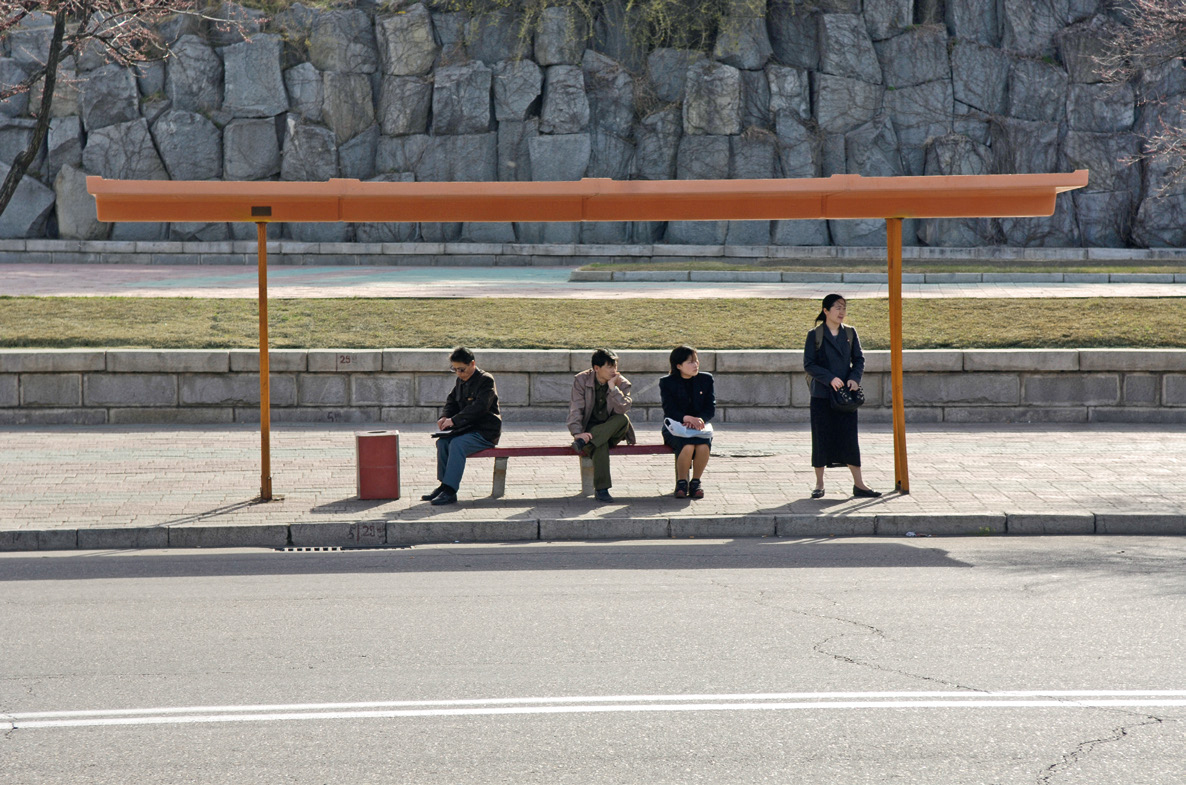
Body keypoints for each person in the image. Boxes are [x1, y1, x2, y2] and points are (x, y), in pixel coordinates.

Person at [803, 293, 881, 499]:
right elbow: (809, 364)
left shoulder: (850, 333)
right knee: (821, 439)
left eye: (844, 308)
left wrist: (855, 378)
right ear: (826, 311)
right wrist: (829, 378)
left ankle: (859, 484)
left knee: (849, 439)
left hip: (846, 397)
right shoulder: (815, 334)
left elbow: (859, 359)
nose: (842, 312)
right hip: (822, 396)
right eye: (837, 308)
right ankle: (819, 484)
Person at [422, 347, 501, 506]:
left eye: (461, 369)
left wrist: (454, 420)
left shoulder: (486, 380)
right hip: (466, 429)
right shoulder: (460, 380)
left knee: (457, 444)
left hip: (484, 432)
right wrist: (444, 416)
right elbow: (451, 401)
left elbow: (480, 407)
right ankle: (444, 485)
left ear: (472, 364)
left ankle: (450, 491)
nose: (458, 373)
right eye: (455, 369)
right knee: (443, 442)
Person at [567, 348, 636, 503]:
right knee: (600, 444)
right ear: (596, 368)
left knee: (623, 419)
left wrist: (613, 388)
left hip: (613, 431)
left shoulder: (622, 383)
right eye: (609, 366)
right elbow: (576, 408)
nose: (614, 370)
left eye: (615, 366)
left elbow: (623, 408)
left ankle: (587, 440)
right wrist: (577, 433)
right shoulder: (581, 380)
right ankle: (601, 490)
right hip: (587, 431)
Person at [659, 345, 714, 499]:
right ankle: (682, 482)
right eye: (690, 362)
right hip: (675, 426)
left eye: (696, 361)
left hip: (699, 426)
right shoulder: (667, 382)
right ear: (678, 365)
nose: (695, 365)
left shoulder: (706, 379)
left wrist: (700, 419)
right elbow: (669, 409)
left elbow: (710, 407)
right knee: (688, 445)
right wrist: (686, 418)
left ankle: (696, 482)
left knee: (703, 445)